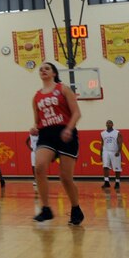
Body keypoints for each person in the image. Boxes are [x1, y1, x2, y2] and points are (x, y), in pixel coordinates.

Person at [31, 61, 84, 225]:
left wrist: (69, 128)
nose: (43, 71)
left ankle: (76, 208)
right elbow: (37, 121)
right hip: (46, 134)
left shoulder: (63, 89)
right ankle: (46, 209)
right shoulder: (36, 97)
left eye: (47, 68)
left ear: (54, 73)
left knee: (65, 177)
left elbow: (76, 113)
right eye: (41, 69)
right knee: (39, 167)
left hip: (65, 132)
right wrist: (34, 128)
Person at [100, 120, 124, 192]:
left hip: (114, 151)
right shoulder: (102, 133)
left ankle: (117, 182)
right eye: (107, 123)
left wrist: (118, 151)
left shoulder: (117, 133)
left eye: (110, 123)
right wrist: (101, 154)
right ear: (105, 124)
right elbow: (102, 144)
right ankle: (106, 182)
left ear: (112, 124)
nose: (108, 124)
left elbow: (120, 143)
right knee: (105, 166)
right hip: (106, 151)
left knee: (117, 168)